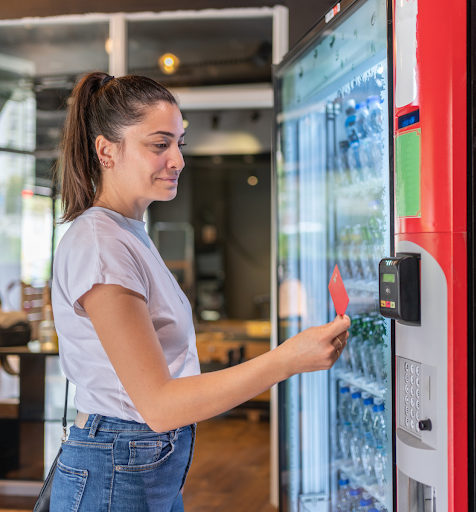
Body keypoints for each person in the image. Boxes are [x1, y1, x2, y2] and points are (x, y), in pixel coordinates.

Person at [50, 71, 351, 512]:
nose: (178, 160)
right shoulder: (102, 243)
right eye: (160, 144)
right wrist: (287, 360)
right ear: (106, 151)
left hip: (138, 463)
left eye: (179, 143)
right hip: (118, 465)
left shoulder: (127, 233)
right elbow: (159, 405)